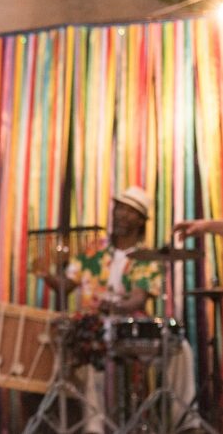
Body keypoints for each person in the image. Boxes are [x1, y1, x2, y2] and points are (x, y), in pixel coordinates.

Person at [41, 186, 197, 434]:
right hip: (95, 327)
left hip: (131, 330)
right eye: (119, 208)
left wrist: (117, 305)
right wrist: (44, 273)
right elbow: (66, 286)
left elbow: (137, 299)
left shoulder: (148, 257)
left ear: (140, 220)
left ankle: (186, 423)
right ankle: (93, 428)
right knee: (89, 347)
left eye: (129, 210)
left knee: (181, 349)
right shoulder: (93, 250)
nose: (121, 214)